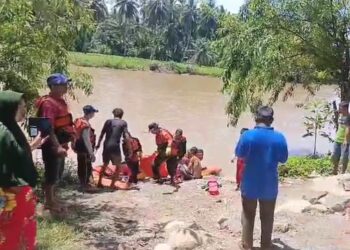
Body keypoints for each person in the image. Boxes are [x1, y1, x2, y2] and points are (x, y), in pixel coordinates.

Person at [235, 106, 288, 250]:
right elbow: (283, 159)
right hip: (269, 185)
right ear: (271, 120)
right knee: (267, 217)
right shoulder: (280, 137)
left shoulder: (247, 135)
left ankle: (247, 245)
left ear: (256, 118)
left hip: (250, 183)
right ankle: (266, 245)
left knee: (248, 215)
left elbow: (239, 154)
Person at [0, 90, 47, 250]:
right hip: (10, 194)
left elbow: (14, 155)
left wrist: (33, 146)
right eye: (21, 106)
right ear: (9, 107)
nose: (25, 110)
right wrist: (13, 187)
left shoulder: (10, 128)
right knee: (10, 233)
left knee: (21, 230)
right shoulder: (4, 133)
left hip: (18, 192)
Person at [36, 73, 75, 213]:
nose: (66, 87)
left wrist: (68, 140)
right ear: (53, 86)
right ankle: (48, 202)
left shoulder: (60, 101)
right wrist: (57, 146)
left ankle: (53, 198)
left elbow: (63, 123)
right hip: (51, 144)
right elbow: (48, 127)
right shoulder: (48, 103)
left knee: (58, 172)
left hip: (60, 142)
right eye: (62, 84)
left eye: (65, 84)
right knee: (51, 173)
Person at [96, 108, 130, 188]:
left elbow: (102, 134)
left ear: (113, 114)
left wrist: (98, 144)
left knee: (105, 164)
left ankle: (99, 183)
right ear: (122, 115)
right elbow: (126, 136)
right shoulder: (123, 123)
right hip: (115, 146)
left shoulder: (108, 122)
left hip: (106, 145)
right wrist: (129, 148)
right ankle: (112, 185)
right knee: (118, 166)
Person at [74, 105, 98, 192]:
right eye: (93, 112)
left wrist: (73, 145)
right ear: (90, 113)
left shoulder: (78, 120)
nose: (94, 114)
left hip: (78, 145)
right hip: (84, 147)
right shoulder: (85, 124)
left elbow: (74, 134)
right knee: (85, 166)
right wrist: (91, 153)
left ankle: (82, 184)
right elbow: (86, 140)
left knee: (81, 165)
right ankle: (84, 186)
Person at [332, 101, 350, 175]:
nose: (339, 109)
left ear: (345, 108)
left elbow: (348, 129)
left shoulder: (348, 118)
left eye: (341, 108)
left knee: (344, 158)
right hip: (337, 139)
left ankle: (343, 173)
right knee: (334, 156)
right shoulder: (340, 115)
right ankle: (334, 171)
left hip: (345, 141)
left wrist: (346, 140)